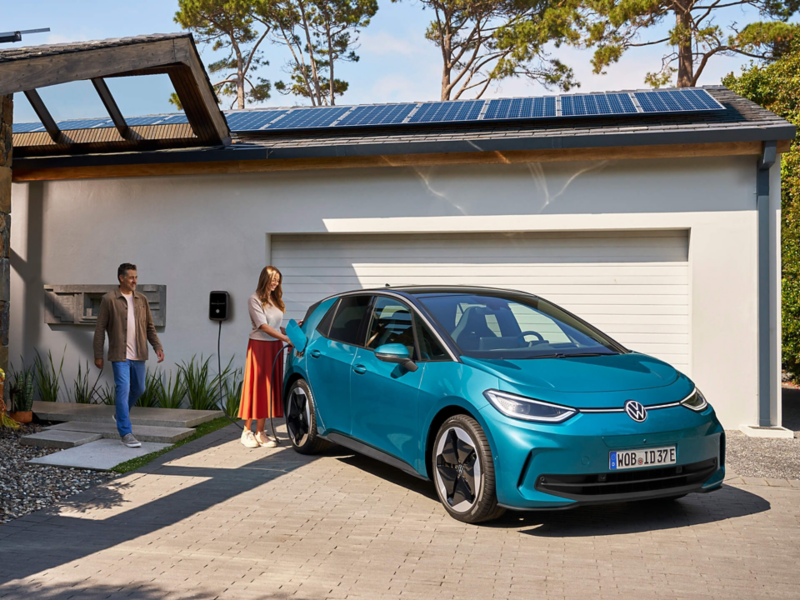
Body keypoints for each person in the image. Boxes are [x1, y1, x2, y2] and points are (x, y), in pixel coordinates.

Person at [94, 263, 164, 448]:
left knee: (139, 388)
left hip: (138, 353)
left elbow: (149, 326)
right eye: (131, 277)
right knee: (123, 389)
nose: (135, 281)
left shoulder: (142, 299)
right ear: (121, 278)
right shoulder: (109, 299)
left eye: (136, 277)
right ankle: (126, 433)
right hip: (119, 355)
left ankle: (120, 413)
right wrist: (98, 354)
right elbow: (100, 328)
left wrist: (157, 346)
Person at [239, 265, 291, 448]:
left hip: (274, 347)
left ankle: (260, 432)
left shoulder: (275, 300)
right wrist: (285, 338)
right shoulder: (254, 299)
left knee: (268, 389)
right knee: (256, 387)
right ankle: (246, 432)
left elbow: (275, 327)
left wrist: (291, 331)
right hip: (259, 348)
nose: (276, 282)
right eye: (273, 278)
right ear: (264, 279)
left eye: (278, 279)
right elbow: (263, 326)